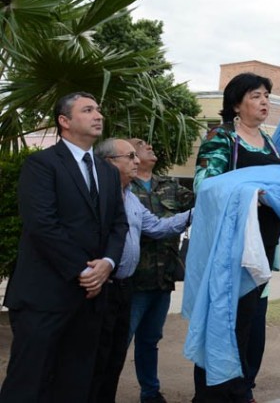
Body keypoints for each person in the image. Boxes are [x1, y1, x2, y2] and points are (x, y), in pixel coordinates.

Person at [191, 72, 280, 402]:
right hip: (231, 252)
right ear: (236, 104)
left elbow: (279, 189)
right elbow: (205, 188)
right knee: (227, 324)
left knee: (253, 329)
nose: (265, 101)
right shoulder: (221, 139)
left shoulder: (269, 143)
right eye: (256, 95)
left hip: (261, 253)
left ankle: (243, 388)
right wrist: (252, 194)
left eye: (266, 95)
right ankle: (214, 395)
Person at [0, 92, 128, 402]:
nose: (98, 115)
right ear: (64, 121)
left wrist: (108, 263)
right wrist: (84, 271)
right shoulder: (41, 164)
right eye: (87, 110)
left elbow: (118, 224)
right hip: (45, 297)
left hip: (89, 300)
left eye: (98, 109)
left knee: (76, 384)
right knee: (29, 383)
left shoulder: (108, 171)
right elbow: (43, 225)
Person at [90, 138, 191, 403]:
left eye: (137, 155)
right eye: (130, 155)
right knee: (106, 349)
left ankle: (145, 392)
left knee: (129, 347)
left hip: (146, 282)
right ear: (109, 162)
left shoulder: (131, 198)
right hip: (108, 286)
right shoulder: (96, 196)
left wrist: (196, 213)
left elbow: (158, 227)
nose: (136, 160)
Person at [126, 138, 195, 403]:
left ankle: (150, 392)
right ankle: (101, 390)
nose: (150, 146)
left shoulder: (170, 186)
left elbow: (202, 202)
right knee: (120, 341)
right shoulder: (122, 187)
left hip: (162, 279)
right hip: (132, 282)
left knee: (150, 340)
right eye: (141, 144)